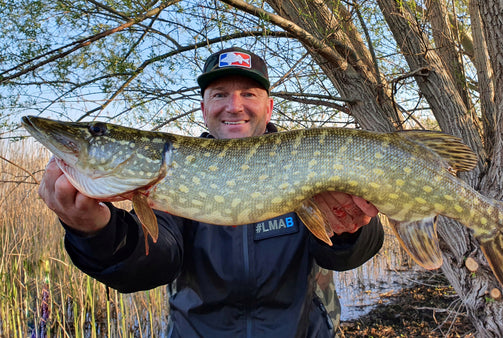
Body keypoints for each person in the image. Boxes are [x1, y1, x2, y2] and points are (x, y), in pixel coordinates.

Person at [38, 46, 385, 337]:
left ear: (269, 107)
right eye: (219, 95)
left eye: (248, 93)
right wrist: (97, 234)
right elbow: (153, 263)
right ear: (204, 109)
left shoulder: (309, 159)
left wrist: (352, 231)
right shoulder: (170, 176)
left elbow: (343, 256)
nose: (233, 106)